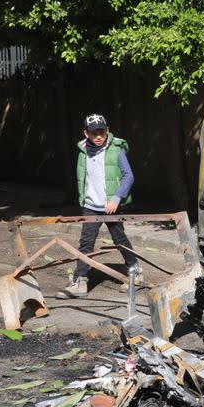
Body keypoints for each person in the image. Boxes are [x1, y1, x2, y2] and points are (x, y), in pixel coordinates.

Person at [56, 114, 142, 298]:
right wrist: (84, 199)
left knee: (120, 240)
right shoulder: (83, 151)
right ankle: (80, 281)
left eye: (101, 131)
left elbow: (129, 176)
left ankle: (135, 273)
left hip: (111, 205)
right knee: (86, 242)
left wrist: (116, 198)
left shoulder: (116, 150)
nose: (99, 136)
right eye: (94, 133)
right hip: (91, 205)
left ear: (107, 130)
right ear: (86, 133)